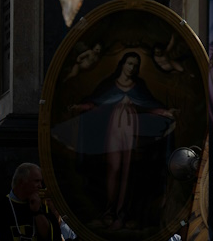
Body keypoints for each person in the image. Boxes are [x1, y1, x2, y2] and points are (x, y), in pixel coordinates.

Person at [70, 52, 175, 230]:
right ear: (122, 64)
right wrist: (80, 107)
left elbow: (150, 105)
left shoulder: (138, 86)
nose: (132, 68)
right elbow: (96, 102)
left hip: (130, 128)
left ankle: (121, 214)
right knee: (113, 168)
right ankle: (108, 211)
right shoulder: (111, 85)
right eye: (129, 64)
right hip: (113, 129)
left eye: (135, 65)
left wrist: (165, 113)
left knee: (128, 169)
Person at [0, 163, 62, 241]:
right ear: (21, 182)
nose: (40, 186)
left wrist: (37, 211)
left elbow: (52, 237)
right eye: (36, 181)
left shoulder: (44, 208)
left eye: (41, 182)